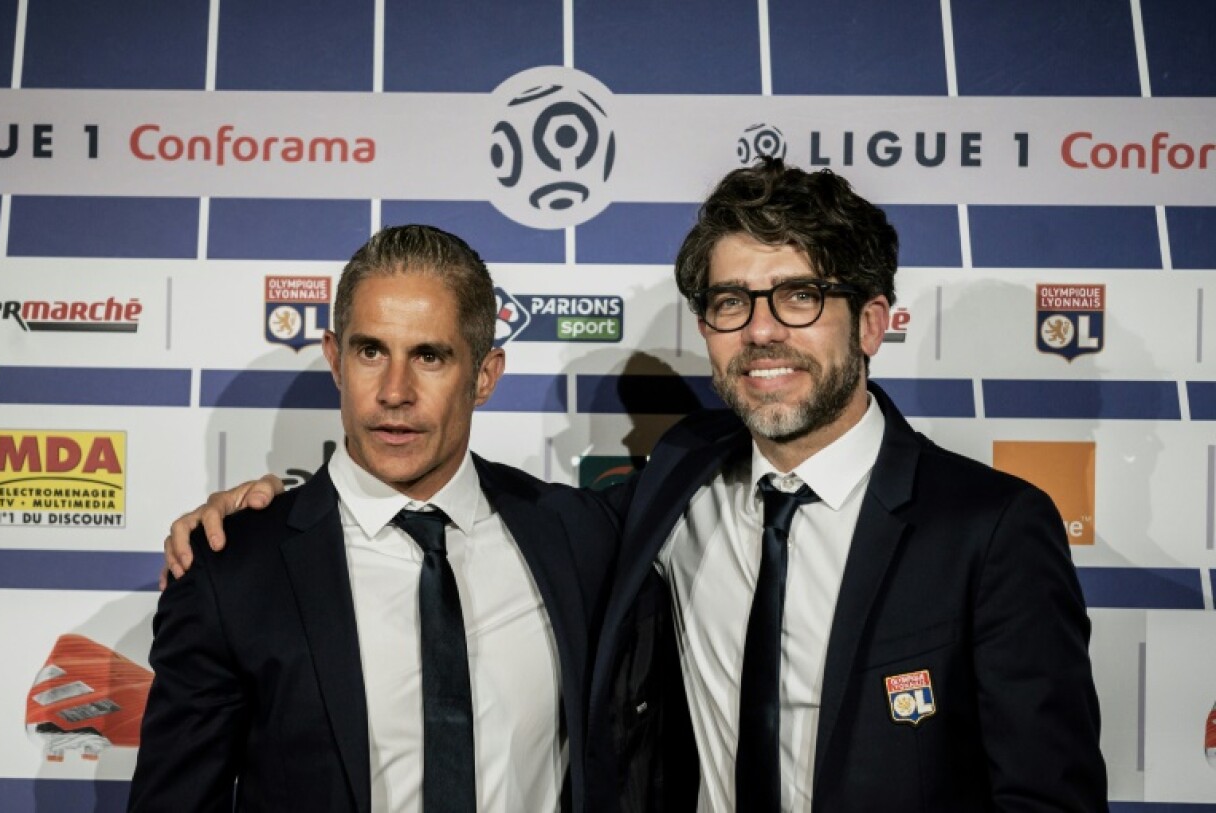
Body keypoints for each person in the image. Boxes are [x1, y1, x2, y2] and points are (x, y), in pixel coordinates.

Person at [164, 160, 1108, 812]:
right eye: (734, 302)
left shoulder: (990, 529)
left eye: (799, 296)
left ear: (871, 321)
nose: (764, 330)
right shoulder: (667, 492)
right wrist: (254, 514)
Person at [130, 225, 619, 813]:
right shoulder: (230, 572)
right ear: (335, 360)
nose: (394, 392)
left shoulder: (577, 535)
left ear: (485, 376)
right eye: (371, 352)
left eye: (429, 356)